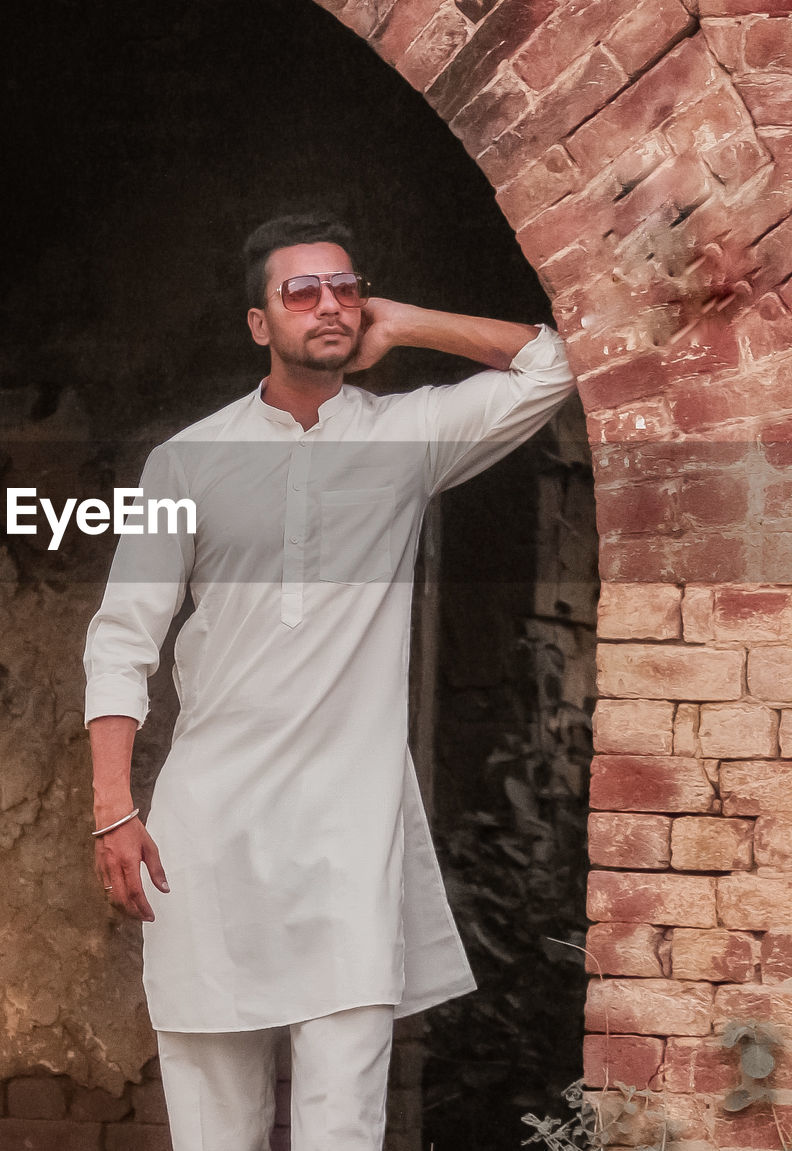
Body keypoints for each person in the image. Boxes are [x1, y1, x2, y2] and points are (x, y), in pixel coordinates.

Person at [81, 212, 578, 1150]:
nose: (329, 306)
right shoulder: (187, 461)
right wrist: (114, 806)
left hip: (351, 835)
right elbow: (123, 637)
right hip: (209, 831)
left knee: (341, 1120)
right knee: (213, 1119)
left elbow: (552, 364)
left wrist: (412, 323)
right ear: (257, 323)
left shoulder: (410, 436)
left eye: (345, 287)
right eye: (300, 291)